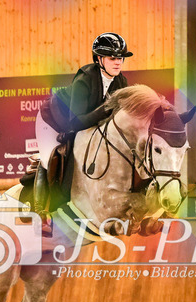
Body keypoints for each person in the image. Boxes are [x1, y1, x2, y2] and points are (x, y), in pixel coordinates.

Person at [31, 32, 132, 214]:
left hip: (82, 125)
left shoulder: (120, 81)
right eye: (112, 58)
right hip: (52, 121)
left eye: (120, 58)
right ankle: (40, 210)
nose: (118, 62)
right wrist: (106, 109)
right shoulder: (85, 79)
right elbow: (75, 123)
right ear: (99, 59)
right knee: (50, 159)